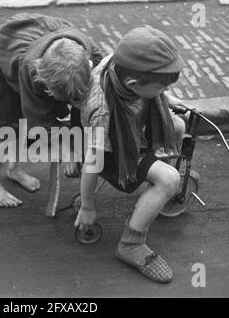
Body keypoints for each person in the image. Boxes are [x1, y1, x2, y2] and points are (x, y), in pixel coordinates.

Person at [74, 26, 187, 283]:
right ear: (135, 85)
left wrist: (165, 98)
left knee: (177, 126)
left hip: (127, 134)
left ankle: (154, 185)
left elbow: (150, 88)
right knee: (170, 179)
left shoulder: (119, 63)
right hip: (113, 155)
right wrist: (88, 205)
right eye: (161, 87)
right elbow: (92, 162)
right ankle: (131, 244)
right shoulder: (104, 114)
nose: (162, 92)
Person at [0, 13, 104, 208]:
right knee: (3, 127)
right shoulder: (31, 70)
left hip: (29, 50)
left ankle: (13, 169)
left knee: (19, 123)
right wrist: (68, 150)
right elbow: (40, 123)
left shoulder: (90, 53)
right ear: (43, 82)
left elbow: (92, 90)